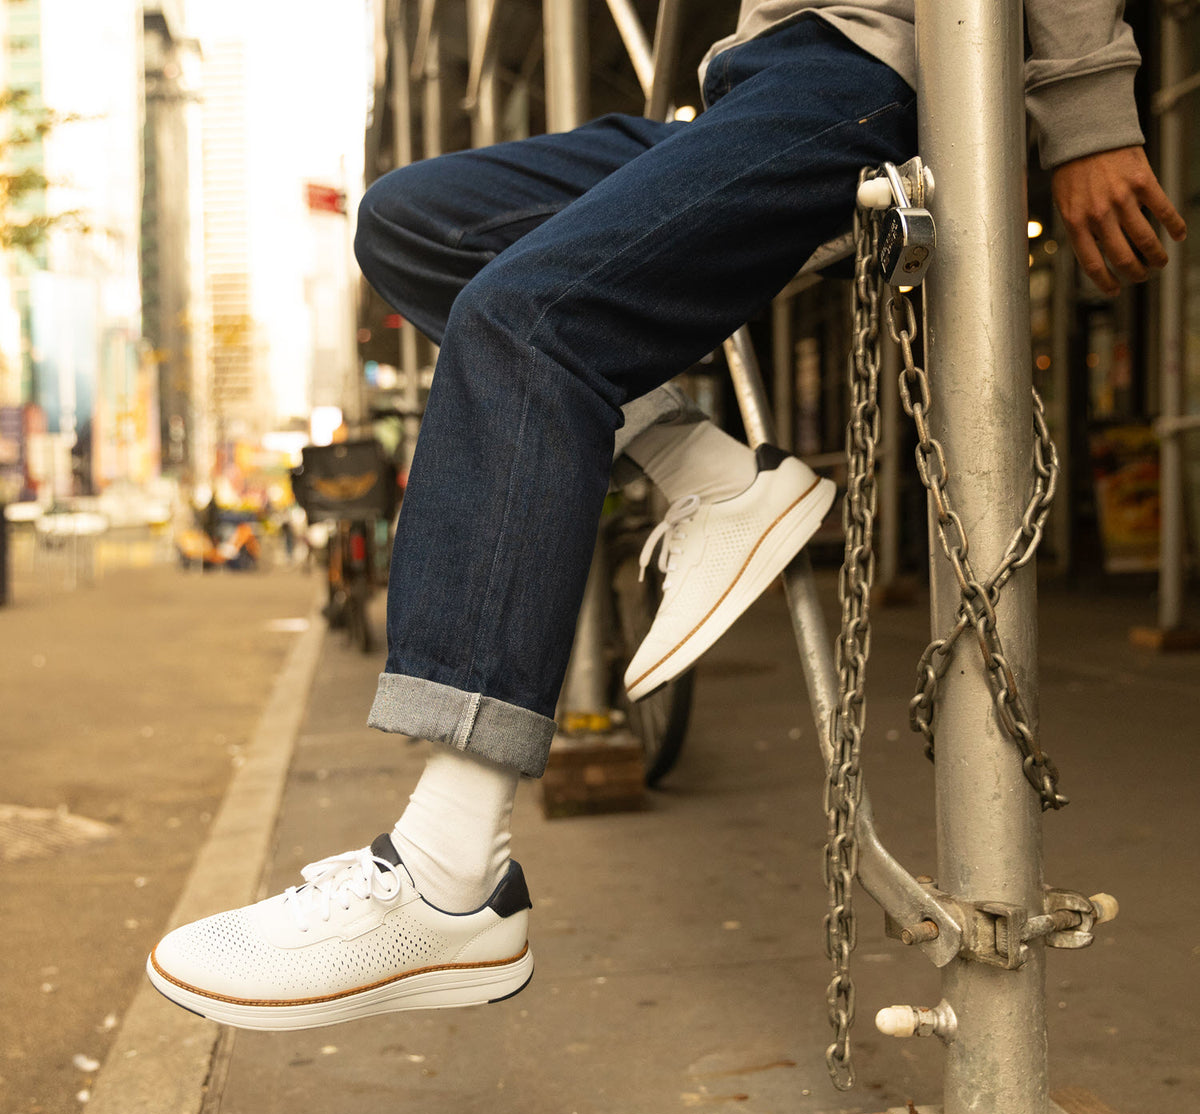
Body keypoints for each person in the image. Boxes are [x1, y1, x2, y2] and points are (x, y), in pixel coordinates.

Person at [146, 2, 1185, 1030]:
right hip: (753, 85)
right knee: (410, 220)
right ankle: (714, 473)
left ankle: (448, 873)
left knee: (521, 322)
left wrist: (1086, 110)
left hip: (872, 77)